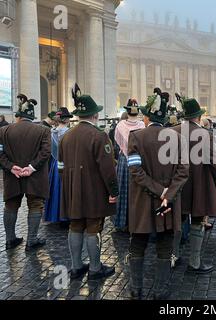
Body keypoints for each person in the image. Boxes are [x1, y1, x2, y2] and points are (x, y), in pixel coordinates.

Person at [127, 91, 189, 300]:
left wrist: (157, 190)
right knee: (165, 244)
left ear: (146, 117)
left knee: (138, 243)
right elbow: (183, 171)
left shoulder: (135, 137)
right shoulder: (178, 138)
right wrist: (167, 193)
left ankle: (136, 289)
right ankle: (160, 292)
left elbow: (135, 171)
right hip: (169, 202)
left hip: (142, 200)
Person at [59, 84, 118, 281]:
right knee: (94, 227)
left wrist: (69, 185)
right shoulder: (99, 136)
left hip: (72, 190)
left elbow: (60, 167)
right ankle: (94, 268)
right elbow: (108, 168)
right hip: (94, 191)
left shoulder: (66, 136)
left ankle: (76, 267)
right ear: (94, 116)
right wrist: (113, 191)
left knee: (75, 225)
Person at [173, 96, 216, 274]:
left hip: (178, 182)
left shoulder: (172, 131)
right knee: (199, 220)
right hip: (200, 181)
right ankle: (194, 262)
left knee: (179, 218)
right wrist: (214, 175)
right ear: (198, 117)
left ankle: (174, 256)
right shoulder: (205, 134)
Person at [0, 94, 51, 251]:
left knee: (11, 205)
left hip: (12, 175)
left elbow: (0, 154)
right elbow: (46, 152)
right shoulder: (43, 130)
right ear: (32, 115)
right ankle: (32, 240)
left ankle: (10, 240)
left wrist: (11, 167)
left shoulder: (3, 131)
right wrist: (31, 167)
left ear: (18, 116)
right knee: (35, 204)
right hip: (35, 176)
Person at [113, 99, 145, 232]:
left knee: (123, 189)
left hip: (124, 161)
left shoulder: (120, 125)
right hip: (138, 160)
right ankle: (137, 221)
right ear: (138, 112)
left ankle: (122, 221)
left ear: (127, 111)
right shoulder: (143, 125)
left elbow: (117, 145)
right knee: (138, 190)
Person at [44, 107, 73, 224]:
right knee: (66, 187)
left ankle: (54, 214)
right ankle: (67, 215)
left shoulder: (52, 132)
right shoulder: (69, 132)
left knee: (55, 188)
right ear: (66, 120)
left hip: (55, 163)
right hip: (67, 163)